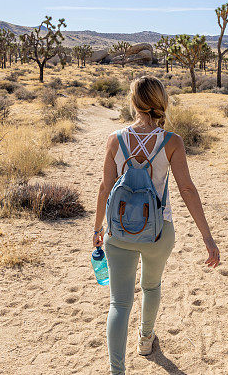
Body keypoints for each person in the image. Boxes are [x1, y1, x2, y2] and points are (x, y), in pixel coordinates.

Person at [92, 76, 220, 375]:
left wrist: (97, 229)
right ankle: (146, 339)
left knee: (119, 304)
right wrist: (208, 237)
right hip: (158, 230)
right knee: (151, 286)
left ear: (134, 102)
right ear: (161, 101)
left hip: (118, 231)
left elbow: (104, 188)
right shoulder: (171, 141)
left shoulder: (116, 139)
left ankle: (116, 371)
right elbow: (187, 189)